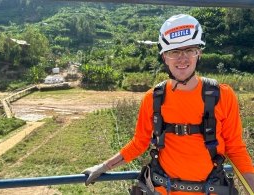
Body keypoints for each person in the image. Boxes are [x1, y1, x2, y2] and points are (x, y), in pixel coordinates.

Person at [81, 14, 254, 194]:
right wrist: (103, 167)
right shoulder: (154, 98)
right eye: (174, 52)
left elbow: (235, 148)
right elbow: (139, 143)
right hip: (163, 189)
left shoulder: (222, 95)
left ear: (199, 53)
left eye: (189, 50)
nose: (182, 58)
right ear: (165, 57)